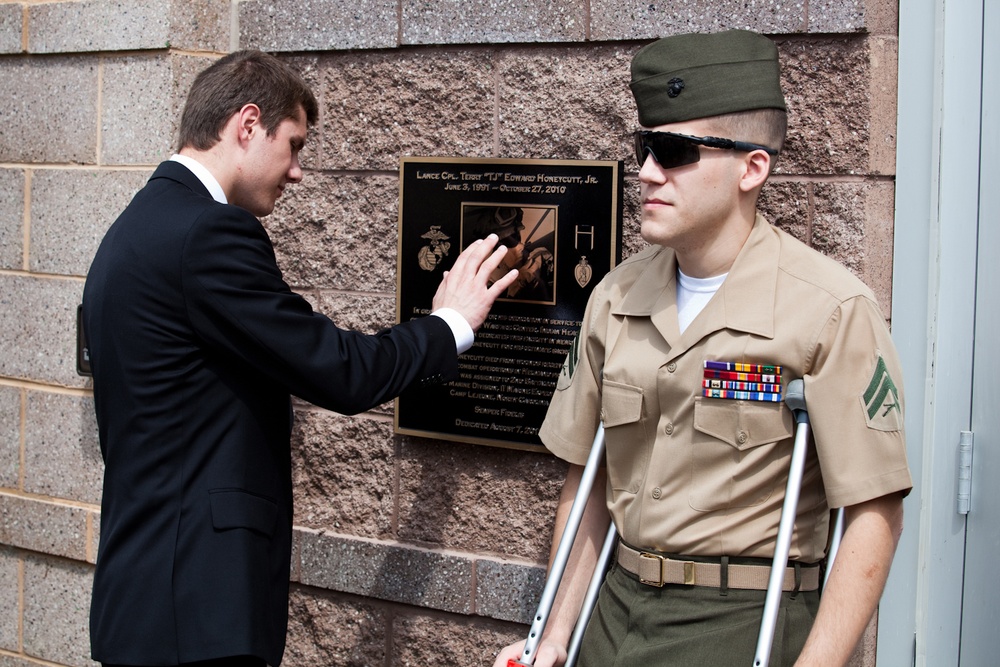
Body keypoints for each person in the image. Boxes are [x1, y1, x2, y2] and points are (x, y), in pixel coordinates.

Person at [82, 50, 517, 667]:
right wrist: (449, 325)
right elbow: (338, 370)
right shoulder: (209, 233)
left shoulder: (135, 225)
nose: (297, 173)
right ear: (248, 124)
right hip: (198, 613)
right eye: (294, 145)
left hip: (146, 600)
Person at [494, 30, 911, 667]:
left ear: (753, 167)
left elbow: (874, 512)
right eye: (644, 148)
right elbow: (588, 484)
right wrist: (551, 638)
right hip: (612, 617)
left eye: (675, 151)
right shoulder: (616, 296)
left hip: (740, 625)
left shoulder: (829, 309)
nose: (647, 173)